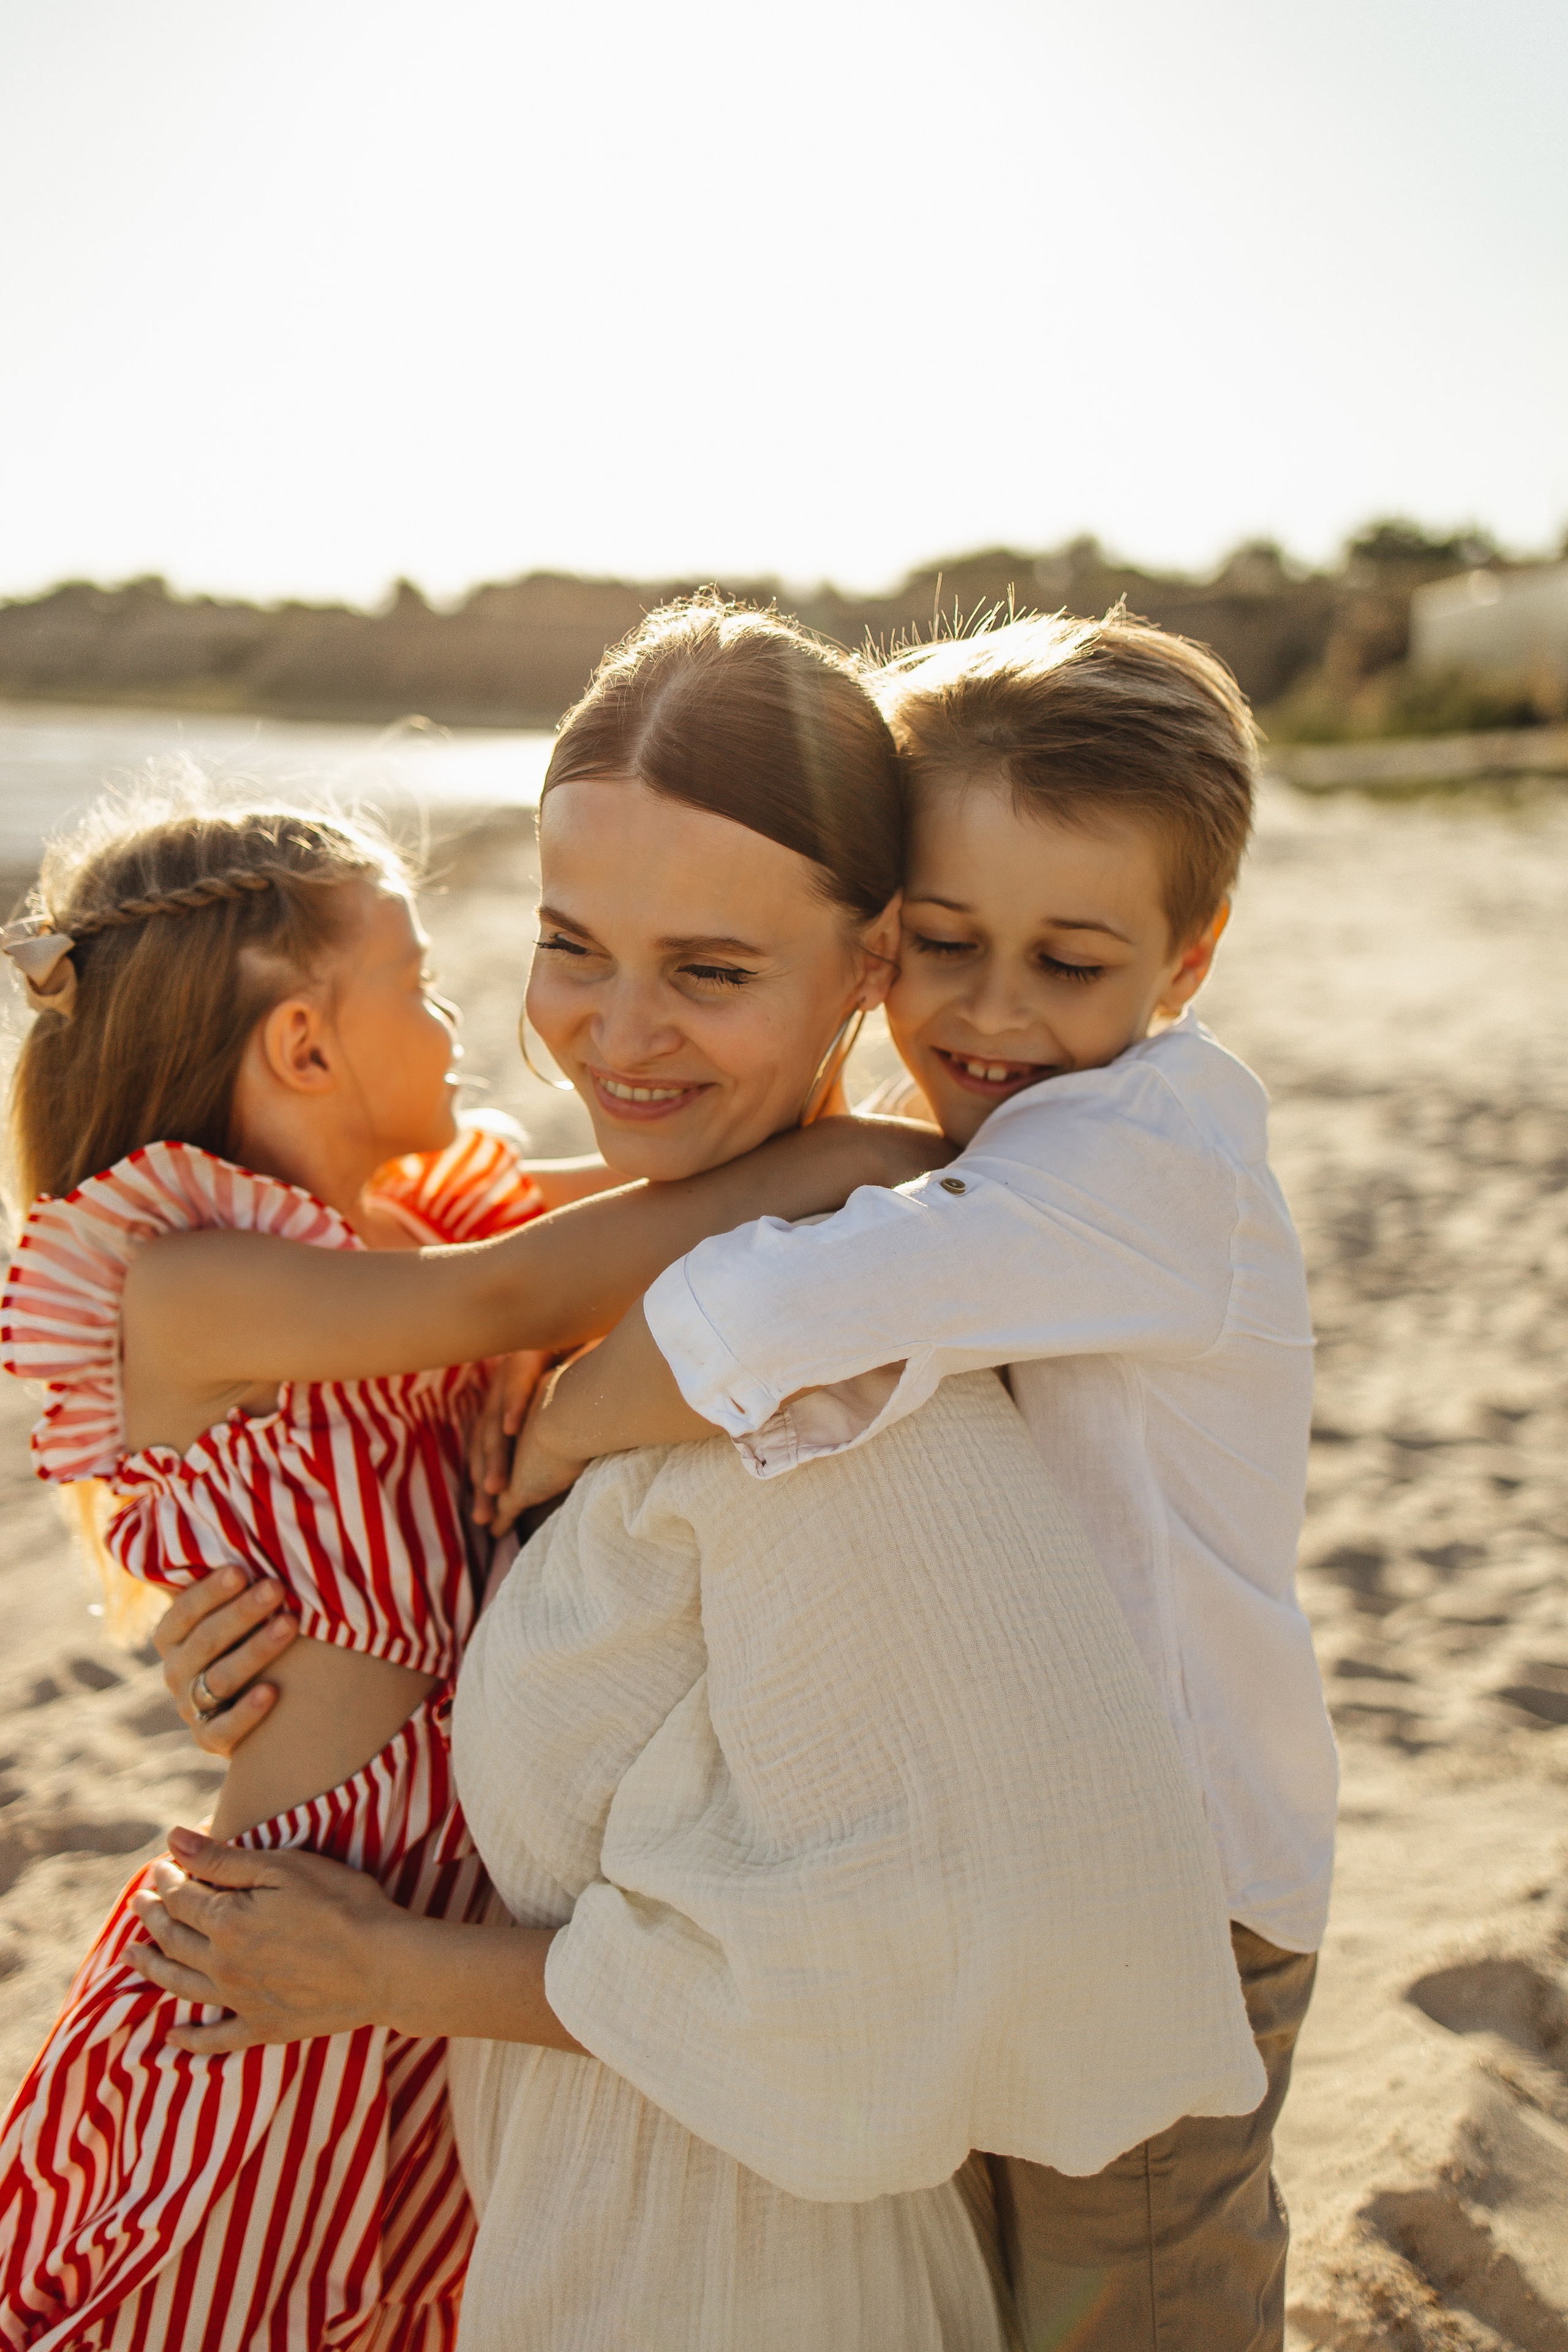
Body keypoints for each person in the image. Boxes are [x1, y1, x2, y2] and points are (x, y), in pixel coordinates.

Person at [129, 602, 1265, 2351]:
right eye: (569, 944)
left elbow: (868, 1972)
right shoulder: (645, 1276)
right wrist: (306, 1661)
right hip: (571, 2209)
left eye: (712, 971)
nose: (615, 1034)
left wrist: (381, 1972)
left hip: (733, 2262)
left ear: (868, 964)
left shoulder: (835, 1396)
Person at [0, 780, 940, 2351]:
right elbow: (513, 1293)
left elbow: (666, 1207)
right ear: (305, 1047)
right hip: (281, 1945)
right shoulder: (189, 1277)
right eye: (420, 987)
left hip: (435, 1953)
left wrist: (865, 1142)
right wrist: (889, 1151)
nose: (457, 1027)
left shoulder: (405, 1224)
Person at [501, 609, 1338, 2351]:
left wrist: (564, 1430)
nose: (992, 1010)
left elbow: (767, 1309)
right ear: (884, 936)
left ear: (1186, 964)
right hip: (1019, 1854)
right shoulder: (989, 1147)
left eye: (1070, 963)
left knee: (1134, 2301)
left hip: (1174, 1891)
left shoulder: (1140, 1152)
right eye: (948, 944)